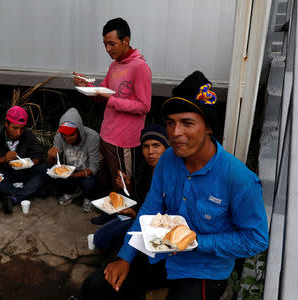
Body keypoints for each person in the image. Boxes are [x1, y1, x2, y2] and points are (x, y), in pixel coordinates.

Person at [82, 71, 269, 299]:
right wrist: (126, 256)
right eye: (171, 123)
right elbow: (150, 209)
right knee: (95, 286)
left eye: (187, 123)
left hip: (203, 269)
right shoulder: (168, 160)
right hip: (160, 251)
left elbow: (256, 240)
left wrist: (195, 241)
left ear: (209, 127)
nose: (176, 133)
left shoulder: (239, 179)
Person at [73, 17, 152, 196]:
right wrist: (87, 86)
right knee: (106, 180)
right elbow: (104, 93)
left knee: (123, 184)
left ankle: (121, 220)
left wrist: (112, 99)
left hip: (125, 140)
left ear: (126, 41)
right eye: (105, 44)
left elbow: (144, 106)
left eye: (111, 44)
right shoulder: (115, 65)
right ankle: (107, 214)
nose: (108, 49)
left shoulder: (140, 67)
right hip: (107, 134)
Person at [93, 125, 170, 250]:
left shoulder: (172, 176)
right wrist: (128, 186)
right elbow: (139, 197)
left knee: (102, 239)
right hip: (136, 213)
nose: (150, 151)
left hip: (155, 227)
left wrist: (135, 214)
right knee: (100, 239)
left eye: (156, 145)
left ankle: (136, 247)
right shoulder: (144, 169)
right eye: (146, 146)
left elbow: (166, 216)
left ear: (167, 148)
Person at [0, 106, 47, 213]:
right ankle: (29, 191)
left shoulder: (28, 135)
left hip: (25, 172)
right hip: (4, 174)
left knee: (45, 169)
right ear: (6, 124)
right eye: (15, 128)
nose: (18, 133)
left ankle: (13, 196)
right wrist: (3, 159)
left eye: (22, 128)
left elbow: (38, 155)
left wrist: (27, 163)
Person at [47, 107, 100, 212]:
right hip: (70, 169)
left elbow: (95, 167)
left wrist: (74, 175)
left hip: (87, 171)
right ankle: (71, 192)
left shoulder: (92, 137)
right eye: (64, 135)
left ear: (79, 130)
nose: (67, 138)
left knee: (89, 183)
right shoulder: (59, 136)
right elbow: (53, 165)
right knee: (50, 175)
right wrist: (51, 157)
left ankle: (88, 197)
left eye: (71, 134)